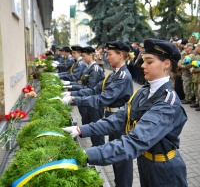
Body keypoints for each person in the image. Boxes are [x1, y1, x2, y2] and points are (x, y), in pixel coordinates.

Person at [63, 38, 188, 187]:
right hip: (145, 161)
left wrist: (87, 155)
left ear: (166, 64)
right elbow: (118, 119)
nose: (142, 65)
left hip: (165, 169)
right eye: (144, 61)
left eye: (149, 61)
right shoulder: (143, 93)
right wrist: (80, 129)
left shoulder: (167, 103)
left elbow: (135, 141)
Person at [62, 41, 134, 187]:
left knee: (121, 159)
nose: (107, 57)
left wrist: (76, 99)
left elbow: (103, 98)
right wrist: (73, 96)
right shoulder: (114, 74)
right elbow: (95, 90)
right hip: (112, 117)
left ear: (120, 55)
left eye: (110, 54)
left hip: (120, 120)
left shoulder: (123, 76)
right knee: (116, 157)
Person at [63, 46, 105, 146]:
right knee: (90, 125)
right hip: (88, 101)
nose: (83, 58)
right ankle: (95, 147)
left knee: (96, 129)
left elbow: (91, 89)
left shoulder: (95, 69)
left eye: (84, 56)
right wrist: (70, 86)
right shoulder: (89, 68)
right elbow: (83, 85)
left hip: (94, 103)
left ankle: (98, 148)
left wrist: (72, 94)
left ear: (91, 55)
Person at [190, 43, 200, 111]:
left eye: (196, 47)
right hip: (196, 77)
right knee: (196, 91)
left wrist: (194, 70)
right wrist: (192, 68)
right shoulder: (196, 56)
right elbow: (196, 65)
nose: (195, 48)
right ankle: (197, 102)